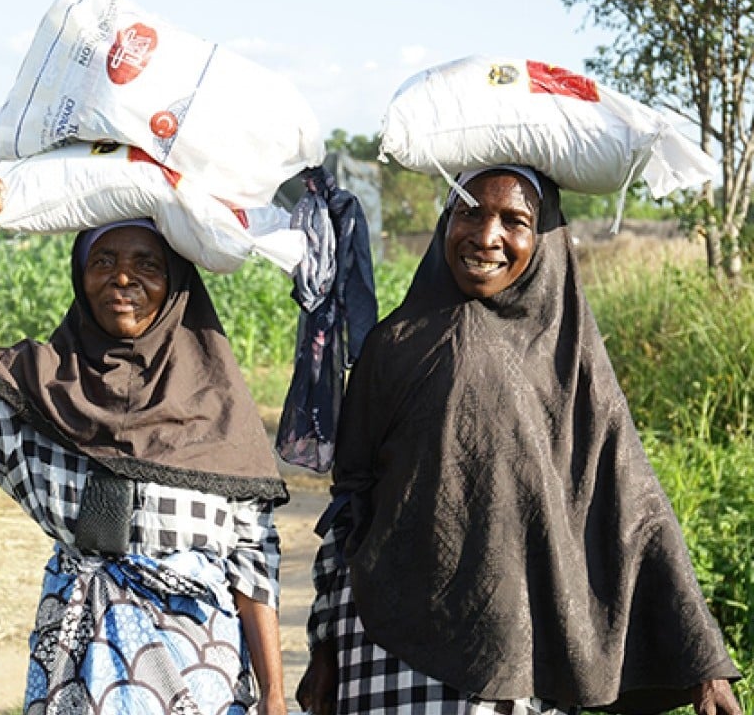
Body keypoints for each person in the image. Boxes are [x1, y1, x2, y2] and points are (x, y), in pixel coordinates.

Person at [295, 166, 743, 715]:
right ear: (446, 222)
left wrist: (705, 664)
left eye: (515, 221)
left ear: (549, 235)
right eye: (470, 212)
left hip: (525, 656)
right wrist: (324, 645)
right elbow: (350, 507)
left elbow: (636, 511)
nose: (486, 237)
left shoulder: (574, 363)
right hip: (388, 653)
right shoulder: (394, 346)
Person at [0, 175, 289, 715]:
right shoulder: (41, 396)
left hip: (199, 674)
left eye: (147, 265)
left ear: (177, 286)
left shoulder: (217, 408)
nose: (123, 278)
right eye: (103, 262)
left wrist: (275, 696)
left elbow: (254, 563)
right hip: (79, 669)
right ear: (80, 277)